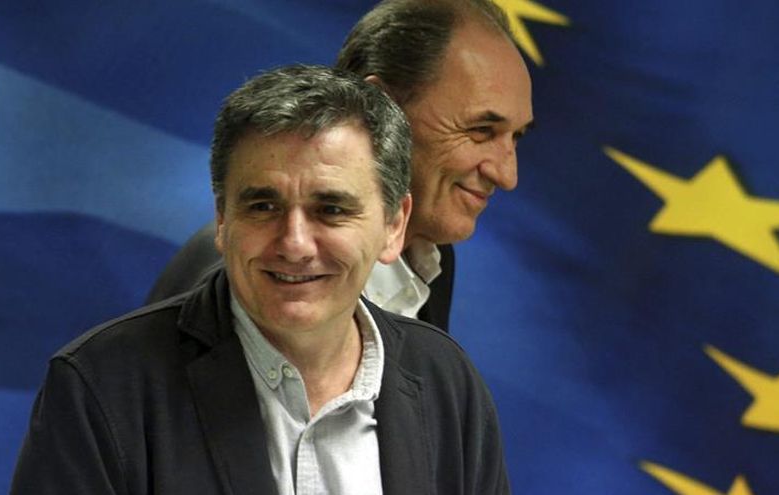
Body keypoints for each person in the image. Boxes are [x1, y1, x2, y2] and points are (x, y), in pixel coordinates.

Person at [11, 65, 510, 494]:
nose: (294, 243)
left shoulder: (447, 383)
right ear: (222, 219)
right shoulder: (99, 388)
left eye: (331, 209)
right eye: (263, 206)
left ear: (394, 225)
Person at [147, 0, 534, 333]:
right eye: (481, 131)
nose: (507, 176)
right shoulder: (247, 268)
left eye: (515, 137)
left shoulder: (430, 257)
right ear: (382, 108)